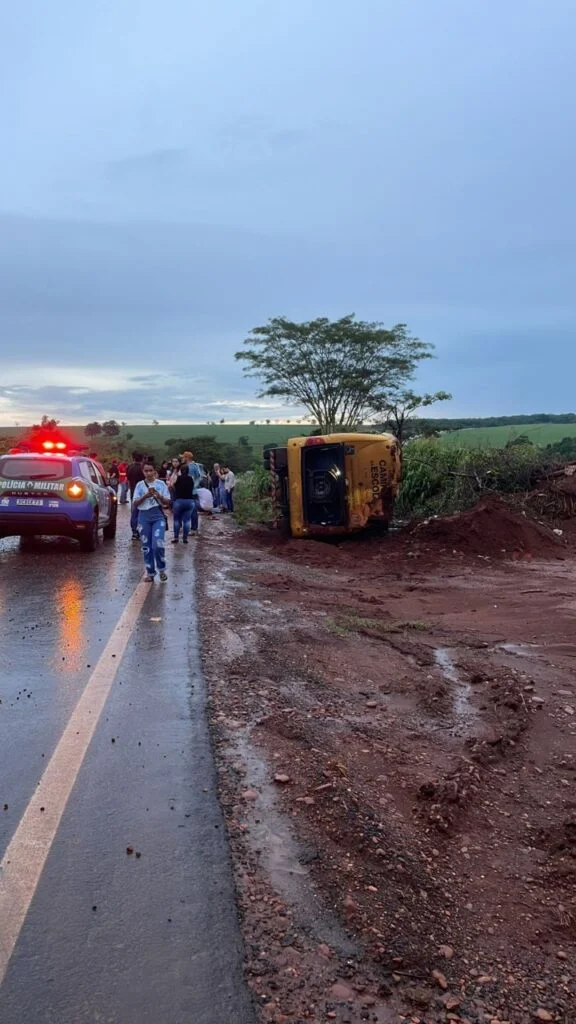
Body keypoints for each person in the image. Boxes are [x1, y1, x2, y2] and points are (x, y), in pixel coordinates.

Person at [132, 461, 171, 581]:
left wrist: (159, 496)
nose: (148, 473)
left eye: (150, 470)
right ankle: (150, 572)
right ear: (143, 472)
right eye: (146, 471)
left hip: (157, 516)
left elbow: (168, 502)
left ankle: (162, 569)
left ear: (155, 471)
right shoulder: (139, 485)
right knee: (146, 546)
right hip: (143, 516)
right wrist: (145, 496)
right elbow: (135, 503)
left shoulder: (161, 484)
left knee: (157, 544)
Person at [171, 464, 198, 543]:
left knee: (176, 520)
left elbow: (172, 485)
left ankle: (176, 538)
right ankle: (185, 538)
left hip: (179, 501)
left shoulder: (178, 478)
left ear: (181, 471)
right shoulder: (191, 479)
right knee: (186, 520)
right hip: (189, 501)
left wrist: (175, 491)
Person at [127, 452, 145, 539]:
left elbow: (128, 479)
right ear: (142, 459)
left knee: (134, 513)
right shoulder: (142, 468)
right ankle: (141, 530)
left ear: (133, 458)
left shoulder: (129, 467)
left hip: (133, 492)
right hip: (142, 494)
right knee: (142, 513)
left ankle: (134, 532)